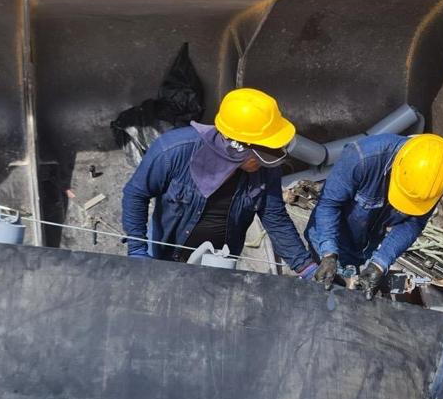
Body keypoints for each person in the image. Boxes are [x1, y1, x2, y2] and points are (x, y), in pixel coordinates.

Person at [121, 87, 316, 275]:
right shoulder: (173, 151)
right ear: (235, 146)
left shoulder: (265, 168)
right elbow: (136, 194)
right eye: (259, 155)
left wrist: (305, 266)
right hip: (166, 253)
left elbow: (275, 218)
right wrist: (137, 249)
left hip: (220, 262)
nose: (264, 161)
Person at [305, 133, 443, 299]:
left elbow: (413, 224)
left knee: (346, 294)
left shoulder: (437, 180)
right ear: (398, 166)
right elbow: (329, 204)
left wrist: (380, 263)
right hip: (329, 236)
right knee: (320, 292)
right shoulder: (361, 158)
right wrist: (328, 254)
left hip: (365, 245)